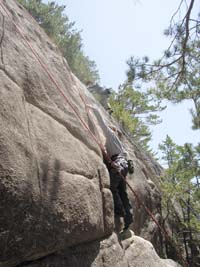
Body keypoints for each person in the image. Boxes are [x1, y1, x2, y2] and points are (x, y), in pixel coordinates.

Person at [87, 105, 133, 230]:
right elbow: (124, 156)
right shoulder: (119, 144)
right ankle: (129, 216)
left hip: (118, 163)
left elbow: (101, 124)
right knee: (122, 192)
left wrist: (92, 108)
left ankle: (119, 212)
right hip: (123, 165)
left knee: (112, 186)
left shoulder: (111, 136)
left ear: (113, 131)